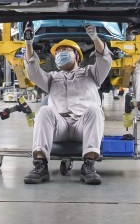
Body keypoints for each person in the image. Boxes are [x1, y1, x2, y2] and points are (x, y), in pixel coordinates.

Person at [23, 24, 111, 185]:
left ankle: (89, 166)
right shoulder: (51, 77)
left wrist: (95, 38)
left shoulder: (91, 73)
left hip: (82, 126)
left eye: (65, 50)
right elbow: (33, 71)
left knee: (94, 110)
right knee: (44, 111)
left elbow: (104, 59)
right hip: (60, 126)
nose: (60, 53)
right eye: (57, 52)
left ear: (77, 56)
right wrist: (29, 43)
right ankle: (40, 166)